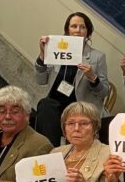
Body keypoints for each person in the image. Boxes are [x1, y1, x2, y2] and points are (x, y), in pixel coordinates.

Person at [34, 11, 111, 146]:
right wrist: (42, 54)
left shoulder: (97, 57)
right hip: (55, 105)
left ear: (88, 32)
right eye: (74, 26)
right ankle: (51, 150)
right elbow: (41, 80)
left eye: (82, 27)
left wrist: (93, 77)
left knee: (57, 112)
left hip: (81, 105)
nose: (78, 30)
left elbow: (104, 92)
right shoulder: (54, 50)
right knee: (45, 105)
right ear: (67, 30)